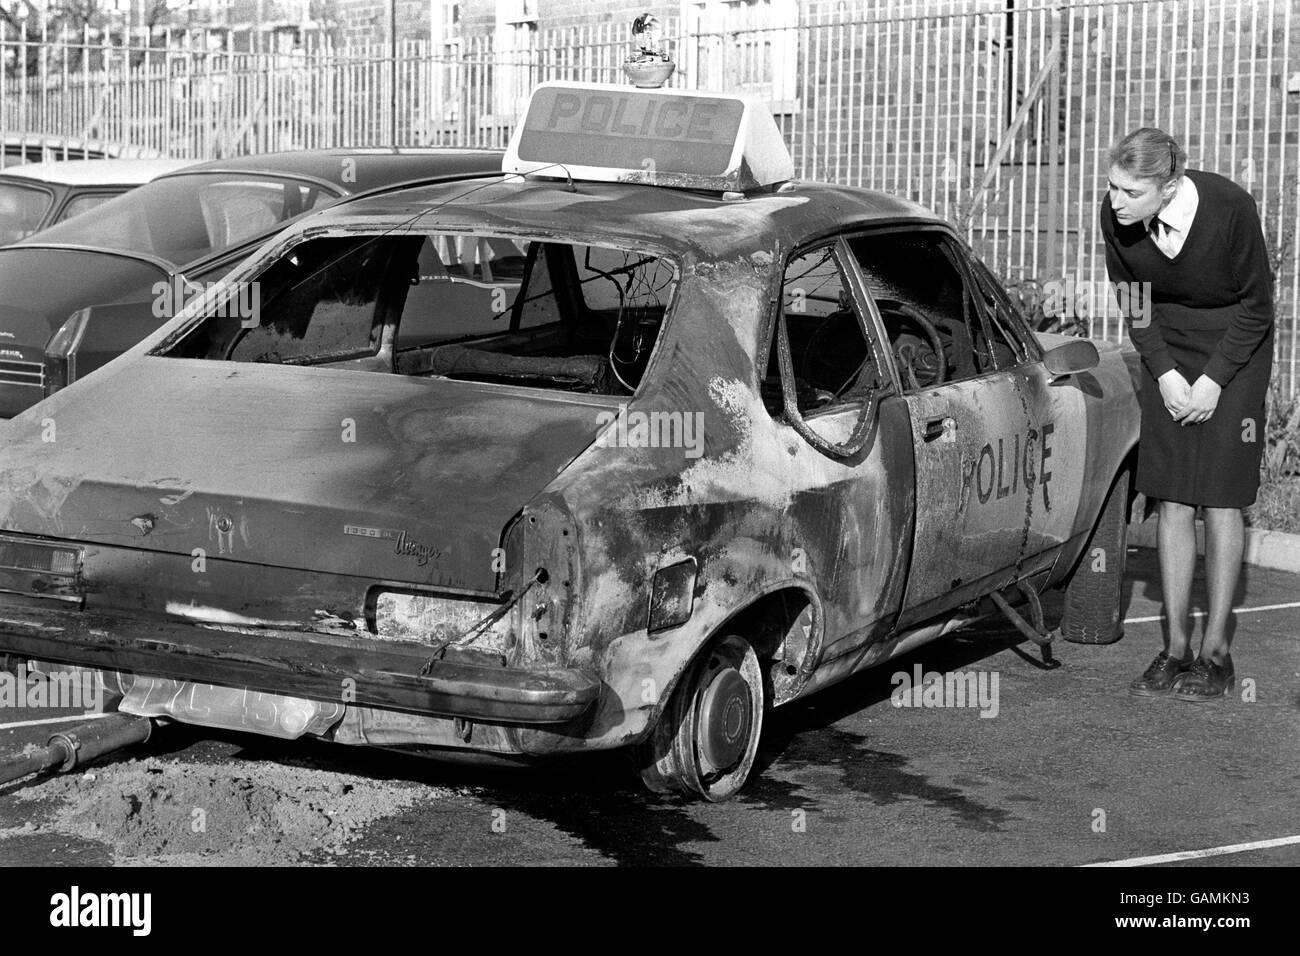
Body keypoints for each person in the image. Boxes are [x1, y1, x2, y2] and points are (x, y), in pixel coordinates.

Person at [1100, 128, 1274, 702]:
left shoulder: (1229, 208)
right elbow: (1135, 301)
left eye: (1129, 191)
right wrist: (1167, 373)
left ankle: (1217, 656)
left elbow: (1257, 305)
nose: (1115, 201)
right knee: (1173, 496)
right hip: (1168, 348)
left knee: (1220, 496)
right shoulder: (1116, 217)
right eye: (1112, 187)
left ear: (1170, 186)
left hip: (1235, 347)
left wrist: (1214, 380)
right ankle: (1175, 649)